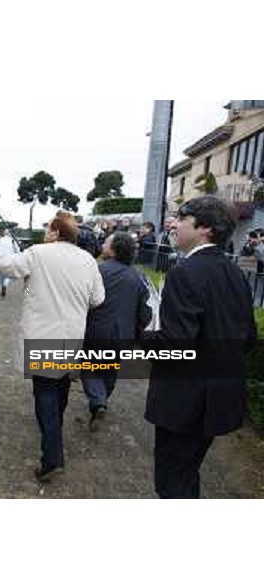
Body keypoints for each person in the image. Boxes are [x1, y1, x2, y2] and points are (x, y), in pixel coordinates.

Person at [0, 213, 105, 482]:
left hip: (43, 336)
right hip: (72, 336)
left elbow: (3, 264)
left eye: (47, 229)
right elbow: (98, 298)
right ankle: (54, 439)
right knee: (60, 391)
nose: (44, 233)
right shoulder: (88, 259)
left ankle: (52, 456)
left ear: (55, 232)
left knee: (45, 396)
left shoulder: (38, 253)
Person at [140, 196, 257, 499]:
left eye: (182, 218)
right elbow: (248, 339)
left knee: (172, 484)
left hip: (184, 403)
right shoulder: (236, 275)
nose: (174, 224)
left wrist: (141, 336)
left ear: (205, 228)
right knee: (186, 474)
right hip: (220, 400)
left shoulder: (185, 272)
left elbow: (175, 344)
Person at [81, 232, 152, 429]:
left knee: (90, 367)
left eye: (106, 243)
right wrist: (137, 332)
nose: (102, 245)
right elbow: (145, 312)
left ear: (114, 249)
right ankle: (102, 399)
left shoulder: (97, 271)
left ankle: (98, 401)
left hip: (96, 330)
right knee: (110, 369)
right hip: (124, 335)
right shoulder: (138, 277)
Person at [0, 229, 20, 297]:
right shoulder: (13, 240)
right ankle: (5, 285)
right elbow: (18, 250)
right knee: (7, 274)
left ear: (4, 233)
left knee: (2, 274)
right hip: (10, 259)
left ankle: (3, 285)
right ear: (10, 234)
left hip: (0, 259)